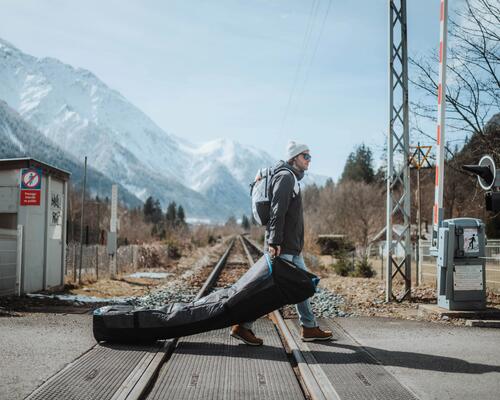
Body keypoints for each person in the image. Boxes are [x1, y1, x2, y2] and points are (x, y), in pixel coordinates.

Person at [230, 141, 333, 345]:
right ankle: (243, 325)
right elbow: (278, 211)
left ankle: (309, 327)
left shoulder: (291, 177)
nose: (309, 160)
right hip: (283, 246)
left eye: (310, 156)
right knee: (272, 291)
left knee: (301, 285)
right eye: (306, 156)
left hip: (292, 246)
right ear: (295, 157)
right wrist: (275, 241)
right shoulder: (286, 177)